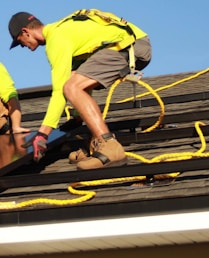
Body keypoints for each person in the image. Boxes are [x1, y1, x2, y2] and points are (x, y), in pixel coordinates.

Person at [8, 9, 151, 169]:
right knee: (74, 80)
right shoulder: (63, 31)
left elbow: (60, 90)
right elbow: (78, 73)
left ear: (25, 32)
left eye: (19, 42)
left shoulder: (56, 39)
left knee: (70, 87)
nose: (22, 46)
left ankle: (110, 146)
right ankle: (94, 144)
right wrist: (77, 117)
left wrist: (42, 134)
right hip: (131, 43)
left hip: (127, 46)